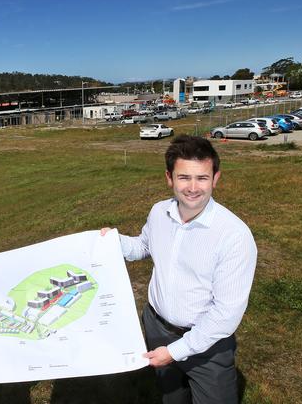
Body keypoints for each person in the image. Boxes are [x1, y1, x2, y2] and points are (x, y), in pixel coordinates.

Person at [102, 135, 257, 404]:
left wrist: (175, 351)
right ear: (169, 178)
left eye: (202, 178)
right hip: (157, 328)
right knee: (172, 398)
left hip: (208, 345)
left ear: (216, 178)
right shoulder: (159, 212)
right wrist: (111, 242)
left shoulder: (234, 236)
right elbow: (143, 246)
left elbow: (225, 315)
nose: (193, 188)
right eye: (184, 177)